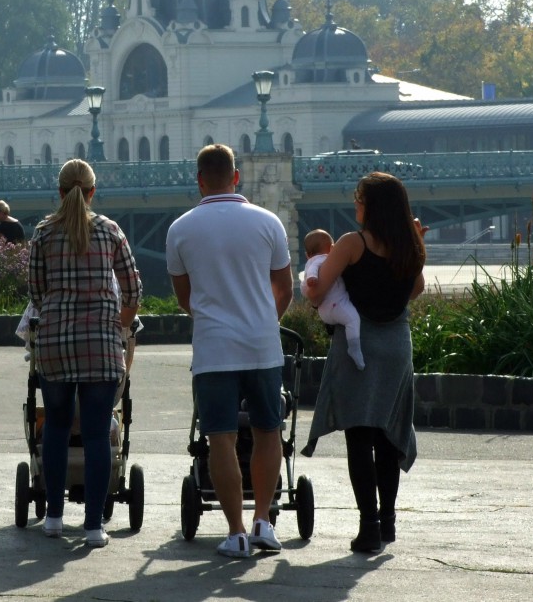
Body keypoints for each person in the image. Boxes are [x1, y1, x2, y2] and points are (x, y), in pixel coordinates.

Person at [165, 143, 293, 558]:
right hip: (262, 344)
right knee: (267, 432)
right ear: (236, 176)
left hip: (213, 347)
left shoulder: (180, 229)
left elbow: (186, 298)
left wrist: (215, 316)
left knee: (218, 438)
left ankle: (235, 531)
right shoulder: (268, 221)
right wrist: (261, 319)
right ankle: (263, 521)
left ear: (199, 180)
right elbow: (285, 287)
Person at [302, 171, 426, 555]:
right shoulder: (411, 243)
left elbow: (318, 291)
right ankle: (387, 523)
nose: (355, 204)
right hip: (397, 345)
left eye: (359, 198)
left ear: (370, 205)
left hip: (361, 346)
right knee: (390, 435)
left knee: (359, 437)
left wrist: (312, 281)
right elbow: (416, 289)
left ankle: (368, 527)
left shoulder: (352, 243)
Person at [28, 159, 142, 547]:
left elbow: (35, 292)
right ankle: (94, 525)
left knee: (57, 429)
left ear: (59, 191)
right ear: (93, 192)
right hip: (102, 346)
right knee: (96, 434)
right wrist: (121, 323)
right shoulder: (111, 231)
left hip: (56, 344)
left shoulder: (43, 233)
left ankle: (54, 518)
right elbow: (133, 287)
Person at [300, 228, 364, 370]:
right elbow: (314, 270)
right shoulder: (324, 259)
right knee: (353, 320)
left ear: (306, 254)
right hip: (337, 305)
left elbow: (310, 273)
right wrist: (312, 278)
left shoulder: (310, 262)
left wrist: (308, 282)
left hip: (325, 311)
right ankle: (354, 348)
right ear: (332, 248)